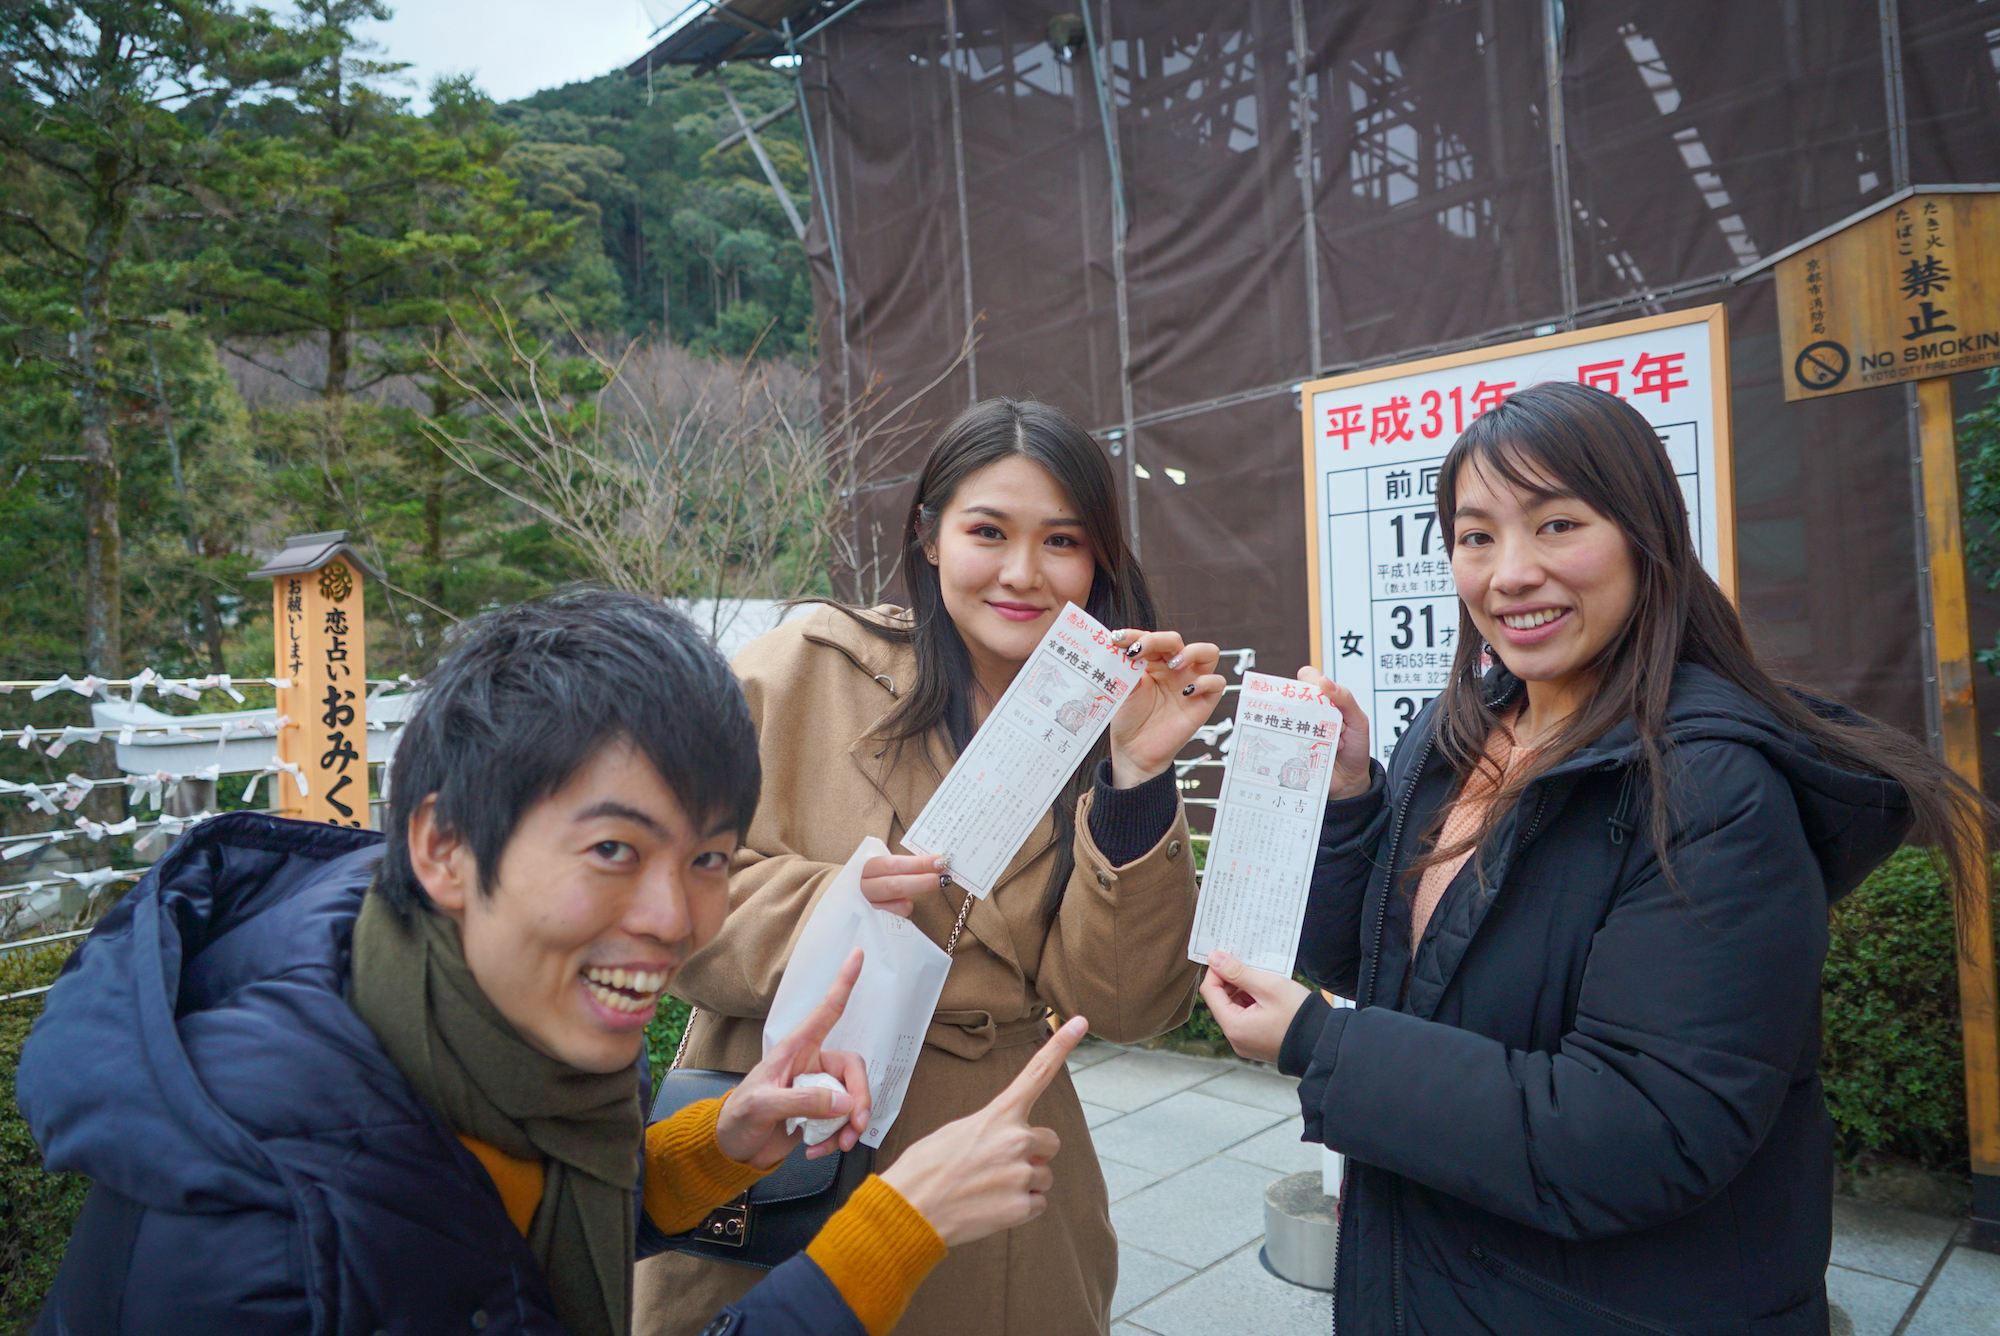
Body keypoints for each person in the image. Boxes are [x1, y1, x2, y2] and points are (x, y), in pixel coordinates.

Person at [19, 589, 1089, 1336]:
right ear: (442, 845)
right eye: (613, 849)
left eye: (710, 855)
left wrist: (718, 1142)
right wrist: (888, 1232)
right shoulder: (262, 1234)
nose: (676, 916)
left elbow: (491, 1231)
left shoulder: (466, 1012)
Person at [1200, 380, 1988, 1335]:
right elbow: (1374, 967)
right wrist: (1350, 797)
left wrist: (1321, 1045)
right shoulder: (1453, 738)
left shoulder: (1712, 790)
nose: (1510, 573)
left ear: (1647, 536)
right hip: (1427, 1280)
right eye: (1476, 535)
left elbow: (1643, 1130)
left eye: (1558, 524)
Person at [638, 398, 1226, 1336]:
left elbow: (1124, 1003)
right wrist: (831, 904)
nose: (1022, 573)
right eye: (987, 531)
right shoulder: (804, 670)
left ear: (1098, 559)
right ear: (929, 535)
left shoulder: (1110, 710)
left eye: (1063, 541)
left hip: (990, 1148)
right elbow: (652, 888)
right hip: (782, 1121)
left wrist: (1136, 776)